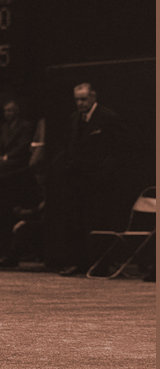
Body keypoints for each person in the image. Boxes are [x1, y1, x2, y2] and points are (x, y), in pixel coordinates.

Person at [54, 82, 132, 276]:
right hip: (77, 181)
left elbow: (120, 150)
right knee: (76, 222)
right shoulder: (73, 119)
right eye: (77, 100)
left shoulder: (108, 118)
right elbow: (70, 146)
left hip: (100, 182)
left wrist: (102, 175)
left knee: (99, 222)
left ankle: (100, 264)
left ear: (93, 97)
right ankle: (78, 262)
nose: (80, 103)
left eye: (83, 99)